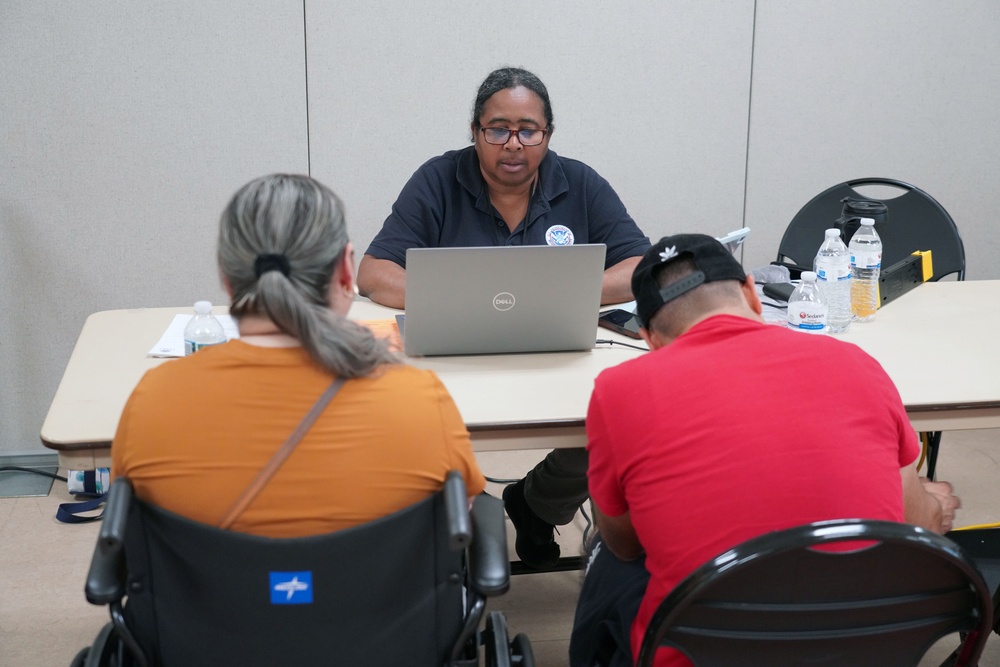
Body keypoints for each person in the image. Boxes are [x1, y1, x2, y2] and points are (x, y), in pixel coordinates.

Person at [569, 233, 961, 667]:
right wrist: (933, 504)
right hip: (868, 650)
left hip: (703, 653)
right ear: (753, 295)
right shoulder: (855, 362)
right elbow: (914, 525)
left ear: (648, 338)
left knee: (608, 556)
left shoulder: (619, 391)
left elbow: (624, 543)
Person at [358, 66, 650, 568]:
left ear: (547, 135)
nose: (513, 143)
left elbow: (641, 263)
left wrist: (567, 291)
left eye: (528, 130)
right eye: (498, 129)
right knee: (404, 426)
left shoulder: (579, 182)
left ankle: (536, 504)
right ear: (475, 133)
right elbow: (374, 272)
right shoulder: (437, 178)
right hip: (454, 360)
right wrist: (450, 296)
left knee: (618, 425)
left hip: (559, 355)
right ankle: (453, 527)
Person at [112, 174, 485, 537]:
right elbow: (462, 511)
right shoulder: (420, 400)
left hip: (211, 601)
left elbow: (130, 531)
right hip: (380, 601)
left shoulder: (152, 400)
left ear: (227, 278)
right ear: (344, 271)